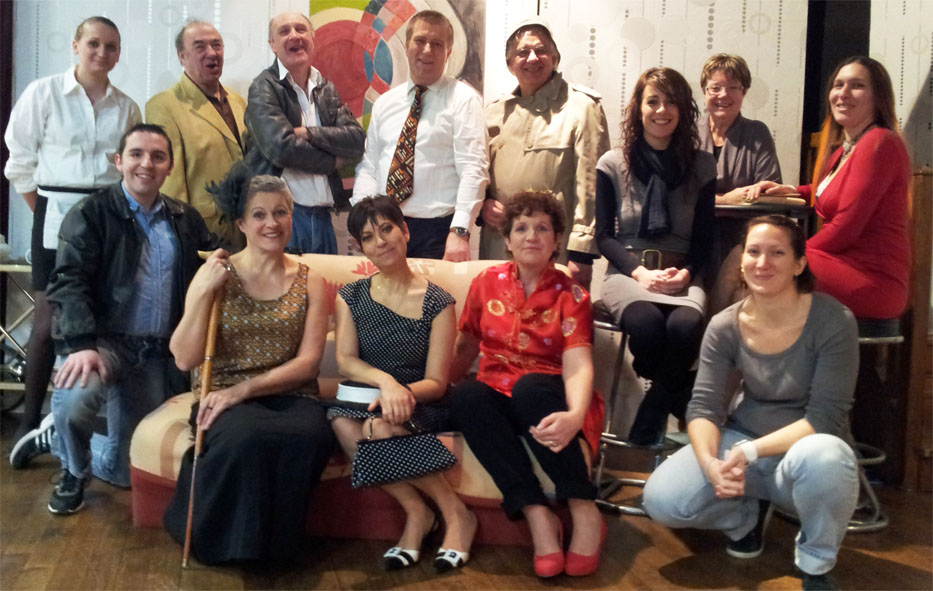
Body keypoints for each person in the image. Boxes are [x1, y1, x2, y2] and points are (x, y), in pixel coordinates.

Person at [643, 215, 859, 591]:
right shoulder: (725, 325)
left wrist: (750, 452)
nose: (762, 263)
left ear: (799, 264)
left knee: (827, 458)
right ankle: (745, 518)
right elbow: (704, 407)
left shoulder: (833, 320)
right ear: (741, 261)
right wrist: (710, 463)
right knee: (662, 500)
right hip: (745, 443)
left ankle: (815, 562)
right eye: (753, 252)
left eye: (777, 253)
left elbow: (824, 418)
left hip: (804, 455)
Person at [44, 123, 215, 514]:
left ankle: (53, 439)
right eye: (136, 154)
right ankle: (73, 470)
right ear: (119, 161)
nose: (146, 164)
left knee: (126, 471)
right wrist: (82, 344)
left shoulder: (185, 219)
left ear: (169, 167)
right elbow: (68, 281)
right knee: (76, 396)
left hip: (155, 352)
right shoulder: (91, 213)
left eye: (158, 156)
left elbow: (211, 259)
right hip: (103, 343)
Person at [163, 175, 333, 565]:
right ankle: (229, 548)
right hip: (222, 393)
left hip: (290, 393)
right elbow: (184, 358)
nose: (271, 223)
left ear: (292, 217)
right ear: (241, 223)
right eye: (259, 215)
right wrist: (202, 291)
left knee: (312, 435)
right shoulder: (216, 273)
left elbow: (307, 364)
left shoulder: (310, 279)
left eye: (280, 213)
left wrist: (242, 391)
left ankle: (277, 551)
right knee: (245, 436)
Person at [4, 16, 141, 468]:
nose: (102, 53)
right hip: (54, 211)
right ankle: (30, 420)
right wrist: (48, 214)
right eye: (94, 44)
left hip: (108, 216)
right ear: (76, 45)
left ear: (118, 54)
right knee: (47, 322)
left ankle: (89, 423)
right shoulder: (43, 93)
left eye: (111, 46)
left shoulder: (127, 106)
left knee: (103, 317)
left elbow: (129, 170)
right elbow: (19, 163)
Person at [448, 191, 605, 578]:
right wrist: (440, 385)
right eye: (521, 228)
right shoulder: (486, 282)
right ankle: (537, 516)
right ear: (507, 239)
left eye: (542, 228)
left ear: (556, 239)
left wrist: (575, 414)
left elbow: (578, 363)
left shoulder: (573, 294)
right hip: (497, 393)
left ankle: (584, 509)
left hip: (545, 397)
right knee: (466, 395)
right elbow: (465, 344)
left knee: (530, 389)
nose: (531, 236)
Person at [328, 196, 476, 571]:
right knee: (342, 422)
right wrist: (386, 383)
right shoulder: (351, 296)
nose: (380, 241)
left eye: (387, 229)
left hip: (423, 402)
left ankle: (456, 515)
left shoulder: (438, 303)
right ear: (360, 247)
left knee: (379, 427)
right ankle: (417, 512)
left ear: (405, 231)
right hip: (369, 396)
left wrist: (402, 393)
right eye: (368, 236)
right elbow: (346, 360)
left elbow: (437, 382)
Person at [595, 67, 716, 445]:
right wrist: (640, 274)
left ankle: (653, 409)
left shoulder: (703, 165)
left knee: (684, 328)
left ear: (683, 109)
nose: (662, 110)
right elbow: (603, 236)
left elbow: (704, 239)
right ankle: (679, 395)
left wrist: (687, 273)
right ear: (638, 108)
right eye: (653, 101)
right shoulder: (613, 163)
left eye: (671, 101)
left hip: (682, 274)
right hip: (628, 273)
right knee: (646, 327)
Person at [744, 56, 909, 320]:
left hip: (871, 278)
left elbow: (846, 228)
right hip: (842, 264)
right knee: (749, 260)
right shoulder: (846, 150)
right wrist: (791, 190)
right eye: (838, 85)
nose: (843, 93)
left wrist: (791, 250)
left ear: (878, 97)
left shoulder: (879, 143)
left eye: (857, 85)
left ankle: (734, 344)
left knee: (758, 261)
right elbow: (833, 190)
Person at [352, 10, 489, 261]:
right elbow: (369, 168)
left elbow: (473, 169)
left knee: (433, 290)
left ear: (448, 52)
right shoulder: (385, 103)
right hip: (384, 228)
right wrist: (360, 221)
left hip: (437, 233)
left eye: (437, 44)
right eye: (420, 40)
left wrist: (460, 232)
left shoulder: (464, 100)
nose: (427, 50)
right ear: (406, 46)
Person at [482, 18, 610, 287]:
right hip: (499, 246)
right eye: (523, 52)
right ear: (510, 64)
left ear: (555, 58)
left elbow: (591, 187)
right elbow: (478, 173)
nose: (532, 58)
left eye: (541, 50)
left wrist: (582, 253)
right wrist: (483, 203)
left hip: (555, 250)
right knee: (498, 311)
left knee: (553, 312)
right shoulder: (494, 112)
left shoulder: (581, 107)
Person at [237, 12, 365, 255]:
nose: (294, 35)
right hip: (283, 219)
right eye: (284, 31)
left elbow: (357, 140)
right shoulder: (264, 87)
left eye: (300, 29)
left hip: (325, 219)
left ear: (312, 39)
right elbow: (281, 147)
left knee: (324, 281)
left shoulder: (325, 88)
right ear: (272, 45)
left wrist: (308, 133)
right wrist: (332, 161)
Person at [146, 20, 247, 250]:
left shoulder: (237, 101)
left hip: (245, 230)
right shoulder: (164, 106)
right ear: (181, 56)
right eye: (200, 46)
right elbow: (170, 185)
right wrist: (181, 240)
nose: (212, 53)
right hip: (202, 234)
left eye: (217, 45)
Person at [697, 54, 782, 204]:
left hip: (746, 219)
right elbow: (677, 195)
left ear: (744, 91)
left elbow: (769, 193)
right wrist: (725, 200)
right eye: (715, 88)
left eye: (733, 87)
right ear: (704, 91)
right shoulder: (689, 132)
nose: (723, 94)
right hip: (693, 220)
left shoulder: (757, 133)